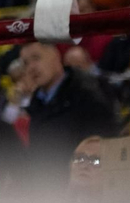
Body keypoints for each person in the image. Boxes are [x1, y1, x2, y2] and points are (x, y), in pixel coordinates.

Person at [18, 42, 117, 185]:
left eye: (36, 58)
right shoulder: (36, 104)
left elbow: (105, 146)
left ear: (56, 55)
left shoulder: (89, 93)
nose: (31, 67)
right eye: (26, 63)